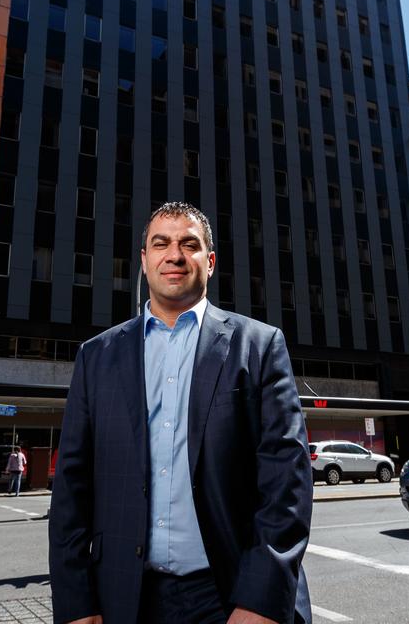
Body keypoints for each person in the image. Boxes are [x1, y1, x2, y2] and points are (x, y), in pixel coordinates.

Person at [49, 202, 313, 624]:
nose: (174, 254)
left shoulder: (259, 346)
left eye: (189, 244)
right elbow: (71, 491)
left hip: (230, 596)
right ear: (145, 260)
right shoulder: (97, 356)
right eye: (161, 243)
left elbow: (287, 484)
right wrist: (77, 604)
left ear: (209, 261)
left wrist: (260, 601)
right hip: (125, 599)